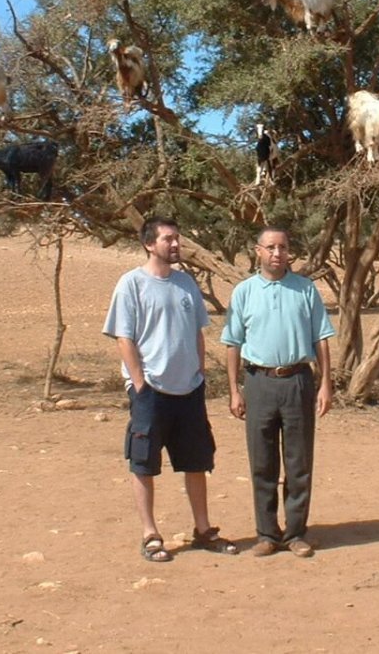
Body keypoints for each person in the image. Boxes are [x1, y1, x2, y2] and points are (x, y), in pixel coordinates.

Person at [102, 215, 238, 562]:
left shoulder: (186, 284)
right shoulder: (131, 284)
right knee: (144, 462)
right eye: (168, 239)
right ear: (150, 244)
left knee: (197, 461)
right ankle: (150, 534)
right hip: (151, 391)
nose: (175, 244)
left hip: (189, 389)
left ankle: (203, 530)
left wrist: (199, 374)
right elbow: (124, 337)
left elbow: (196, 334)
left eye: (177, 238)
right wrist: (140, 384)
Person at [223, 227, 335, 557]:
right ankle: (267, 534)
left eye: (283, 247)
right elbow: (232, 343)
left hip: (298, 380)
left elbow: (322, 338)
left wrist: (325, 382)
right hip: (258, 382)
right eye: (270, 247)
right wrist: (234, 390)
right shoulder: (243, 292)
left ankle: (296, 533)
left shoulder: (305, 290)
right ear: (257, 251)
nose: (277, 253)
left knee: (299, 462)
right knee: (262, 462)